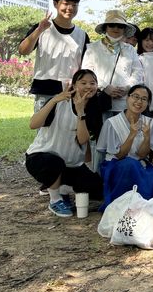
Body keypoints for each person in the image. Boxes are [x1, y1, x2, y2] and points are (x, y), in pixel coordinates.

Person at [25, 69, 103, 217]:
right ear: (73, 85)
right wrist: (54, 100)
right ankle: (55, 199)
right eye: (83, 83)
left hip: (71, 164)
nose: (89, 87)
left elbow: (82, 140)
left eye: (93, 83)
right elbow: (33, 124)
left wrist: (81, 113)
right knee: (54, 162)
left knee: (96, 189)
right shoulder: (59, 102)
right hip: (41, 158)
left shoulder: (94, 108)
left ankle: (59, 187)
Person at [18, 0, 89, 112]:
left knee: (70, 130)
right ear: (55, 4)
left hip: (71, 91)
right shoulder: (42, 28)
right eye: (66, 3)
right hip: (45, 89)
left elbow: (85, 65)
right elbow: (23, 51)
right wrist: (39, 30)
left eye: (74, 4)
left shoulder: (82, 35)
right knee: (43, 128)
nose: (70, 8)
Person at [96, 84, 153, 210]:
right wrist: (132, 135)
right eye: (135, 97)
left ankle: (142, 207)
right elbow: (119, 155)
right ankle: (120, 206)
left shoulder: (150, 123)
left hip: (139, 163)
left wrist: (147, 137)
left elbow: (142, 155)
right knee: (129, 165)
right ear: (127, 98)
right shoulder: (112, 123)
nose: (139, 101)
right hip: (116, 165)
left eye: (144, 99)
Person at [82, 10, 144, 120]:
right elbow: (86, 72)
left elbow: (138, 71)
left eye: (120, 26)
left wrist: (128, 87)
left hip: (124, 102)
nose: (116, 28)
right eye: (112, 25)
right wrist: (104, 86)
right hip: (101, 100)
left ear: (124, 29)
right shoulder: (92, 48)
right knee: (102, 135)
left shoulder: (130, 49)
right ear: (105, 27)